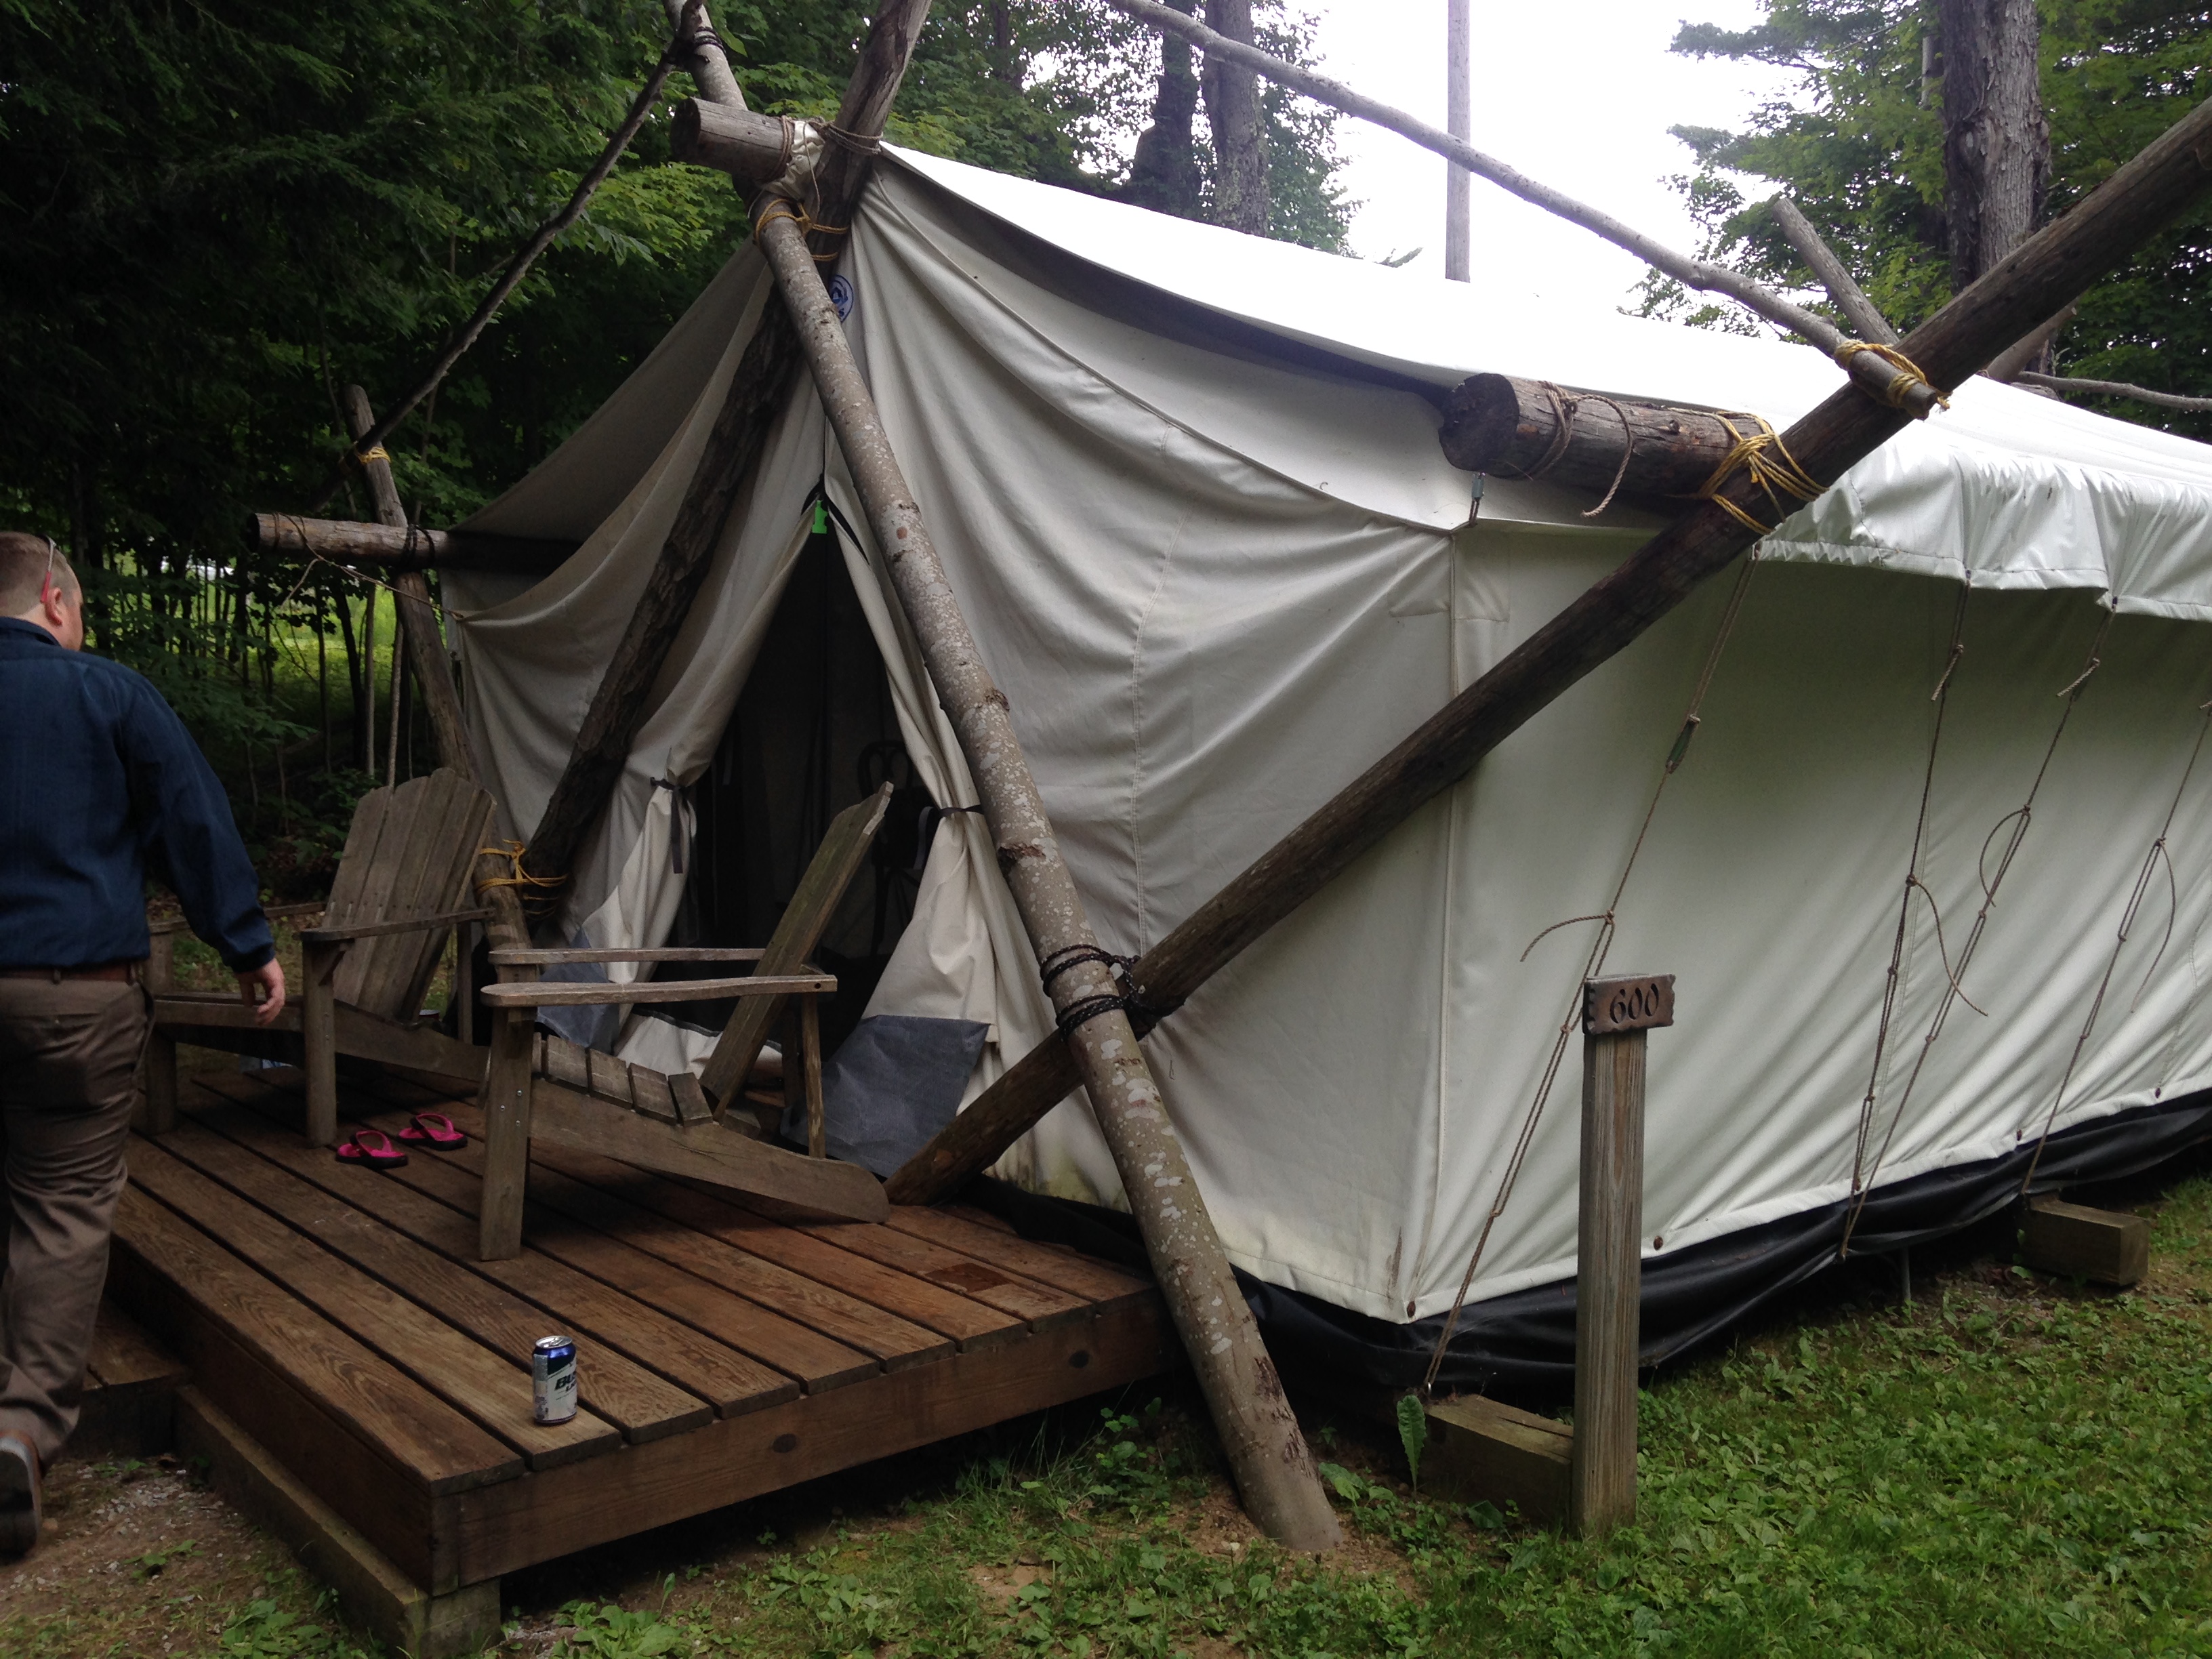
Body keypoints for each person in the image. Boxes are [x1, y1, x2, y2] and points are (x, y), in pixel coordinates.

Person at [0, 531, 285, 1556]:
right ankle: (21, 1427)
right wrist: (247, 945)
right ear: (58, 601)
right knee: (63, 1203)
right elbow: (192, 823)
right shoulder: (111, 695)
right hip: (80, 998)